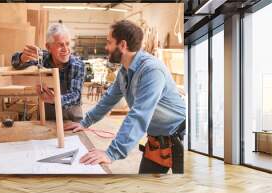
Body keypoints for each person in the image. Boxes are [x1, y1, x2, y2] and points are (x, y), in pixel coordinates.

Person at [64, 20, 186, 174]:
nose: (106, 47)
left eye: (109, 42)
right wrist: (85, 122)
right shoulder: (124, 71)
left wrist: (111, 153)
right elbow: (109, 99)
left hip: (180, 136)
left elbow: (139, 115)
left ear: (122, 45)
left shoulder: (151, 71)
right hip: (157, 140)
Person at [11, 23, 85, 122]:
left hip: (71, 121)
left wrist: (55, 99)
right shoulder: (43, 59)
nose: (65, 49)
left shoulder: (77, 65)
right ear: (48, 47)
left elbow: (76, 95)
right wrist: (22, 58)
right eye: (60, 44)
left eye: (67, 44)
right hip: (46, 118)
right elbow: (16, 63)